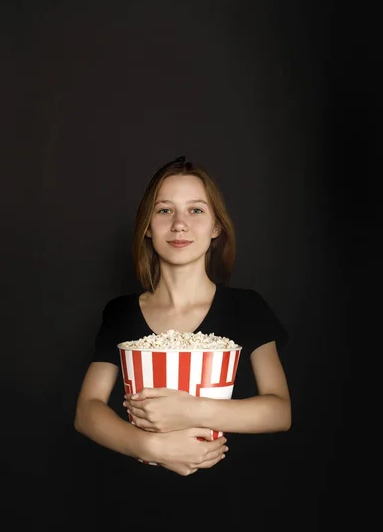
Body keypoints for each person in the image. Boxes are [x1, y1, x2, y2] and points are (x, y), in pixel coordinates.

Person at [74, 155, 291, 525]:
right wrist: (152, 445)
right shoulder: (121, 313)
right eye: (164, 211)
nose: (179, 225)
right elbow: (87, 411)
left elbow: (279, 411)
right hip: (133, 506)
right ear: (147, 227)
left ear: (216, 227)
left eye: (195, 210)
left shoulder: (246, 308)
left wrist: (190, 409)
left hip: (228, 507)